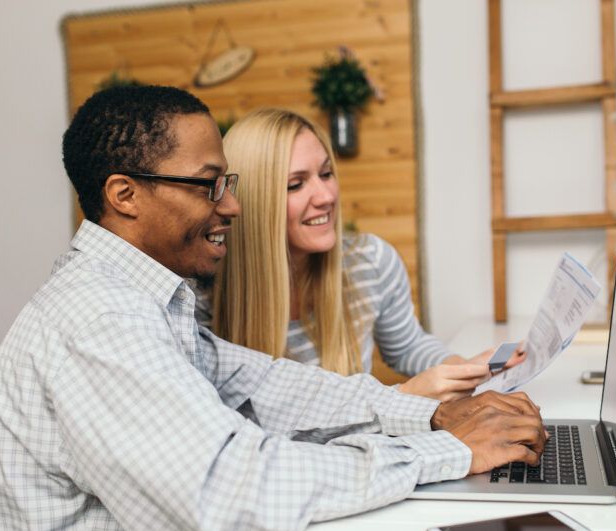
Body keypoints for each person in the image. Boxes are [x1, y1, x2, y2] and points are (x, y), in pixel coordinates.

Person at [0, 85, 546, 531]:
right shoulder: (100, 321)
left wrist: (433, 415)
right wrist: (448, 452)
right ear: (125, 196)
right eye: (210, 186)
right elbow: (224, 497)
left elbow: (268, 384)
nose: (232, 205)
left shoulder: (148, 298)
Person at [201, 107, 523, 402]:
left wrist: (462, 369)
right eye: (296, 184)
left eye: (326, 174)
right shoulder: (201, 301)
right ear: (255, 201)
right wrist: (402, 396)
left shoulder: (371, 260)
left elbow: (407, 344)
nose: (326, 196)